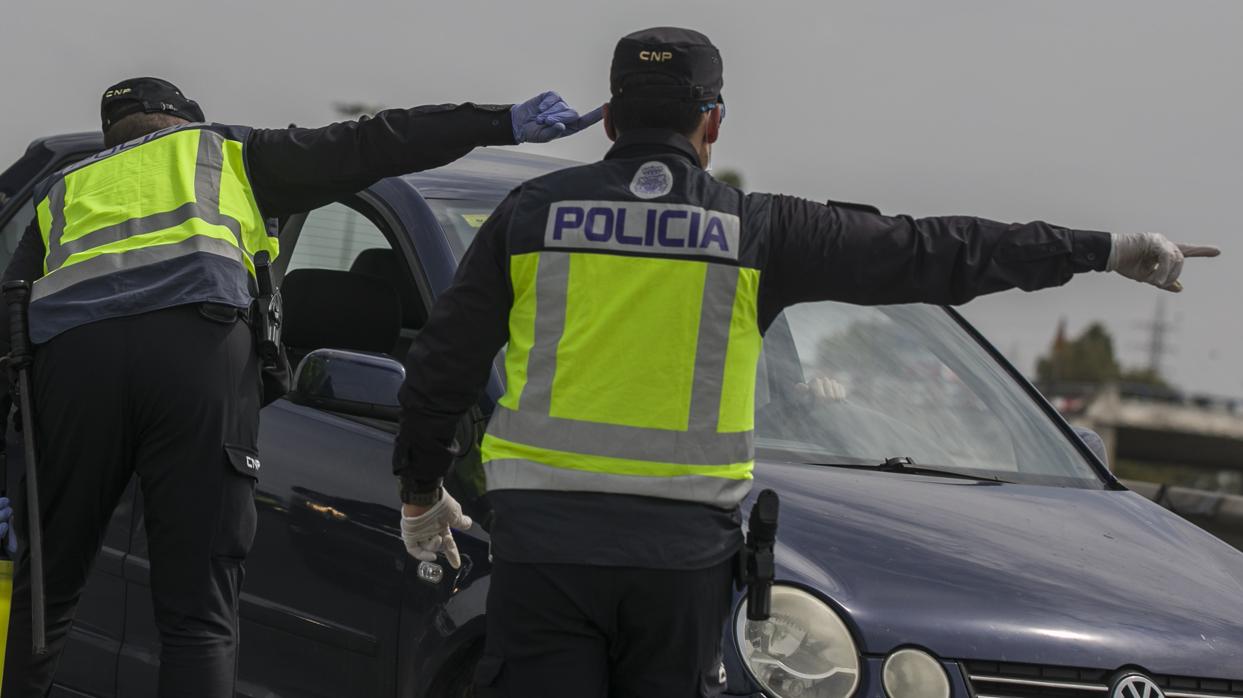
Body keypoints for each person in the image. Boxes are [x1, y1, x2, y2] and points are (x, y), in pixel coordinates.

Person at [390, 27, 1219, 696]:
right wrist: (1102, 250)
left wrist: (421, 490)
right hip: (681, 564)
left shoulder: (530, 214)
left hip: (548, 552)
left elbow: (444, 363)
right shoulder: (760, 231)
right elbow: (937, 251)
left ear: (610, 119)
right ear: (711, 122)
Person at [0, 76, 600, 697]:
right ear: (186, 121)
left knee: (46, 597)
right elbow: (375, 142)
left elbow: (10, 324)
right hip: (195, 357)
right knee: (198, 614)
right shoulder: (226, 151)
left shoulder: (65, 188)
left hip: (76, 368)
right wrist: (496, 122)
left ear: (112, 138)